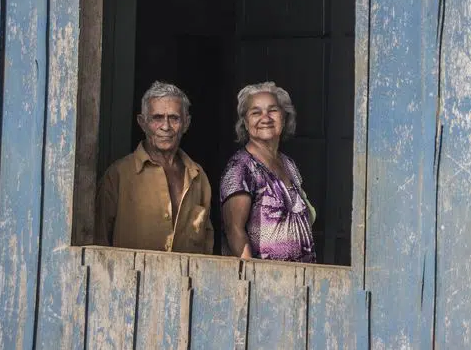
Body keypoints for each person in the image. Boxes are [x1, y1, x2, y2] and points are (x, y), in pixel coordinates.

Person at [94, 81, 214, 254]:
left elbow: (206, 244)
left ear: (186, 123)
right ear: (143, 123)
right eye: (157, 118)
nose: (165, 127)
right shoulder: (118, 175)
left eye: (174, 118)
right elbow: (98, 241)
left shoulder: (197, 177)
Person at [220, 82, 316, 263]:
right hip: (266, 284)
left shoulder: (288, 164)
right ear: (246, 124)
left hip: (302, 279)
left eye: (273, 110)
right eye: (256, 112)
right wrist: (252, 280)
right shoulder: (241, 168)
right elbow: (234, 230)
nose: (265, 118)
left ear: (285, 118)